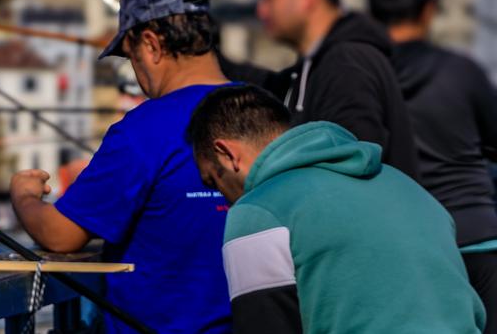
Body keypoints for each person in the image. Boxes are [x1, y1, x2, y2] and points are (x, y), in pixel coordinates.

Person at [9, 0, 231, 334]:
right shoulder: (267, 115)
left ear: (151, 44)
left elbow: (61, 235)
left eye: (131, 57)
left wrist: (25, 196)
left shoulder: (143, 129)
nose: (137, 74)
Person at [187, 84, 484, 334]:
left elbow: (265, 323)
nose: (224, 200)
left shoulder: (257, 212)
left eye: (214, 182)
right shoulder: (408, 188)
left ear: (226, 154)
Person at [369, 0, 497, 333]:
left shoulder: (364, 76)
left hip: (404, 244)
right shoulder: (461, 72)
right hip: (477, 236)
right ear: (428, 9)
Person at [256, 0, 419, 178]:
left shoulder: (346, 65)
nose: (261, 10)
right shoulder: (316, 65)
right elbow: (263, 82)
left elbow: (355, 171)